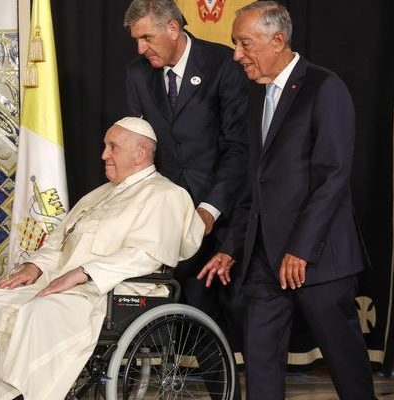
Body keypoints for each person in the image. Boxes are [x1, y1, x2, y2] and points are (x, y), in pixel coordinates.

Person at [198, 2, 376, 399]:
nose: (237, 55)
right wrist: (231, 248)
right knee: (260, 364)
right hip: (264, 259)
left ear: (277, 40)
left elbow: (333, 177)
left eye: (245, 44)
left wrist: (300, 247)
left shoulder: (324, 87)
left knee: (347, 368)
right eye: (235, 44)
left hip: (320, 258)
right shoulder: (257, 95)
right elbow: (255, 185)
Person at [0, 117, 204, 400]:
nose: (104, 154)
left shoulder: (167, 194)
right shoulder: (99, 194)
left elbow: (144, 255)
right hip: (64, 284)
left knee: (37, 312)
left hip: (113, 292)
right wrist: (35, 266)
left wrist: (84, 272)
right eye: (105, 146)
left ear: (141, 153)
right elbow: (59, 242)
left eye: (113, 147)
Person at [123, 0, 250, 369]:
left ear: (173, 29)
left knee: (220, 312)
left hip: (221, 213)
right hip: (166, 216)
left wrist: (209, 209)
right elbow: (138, 144)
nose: (140, 49)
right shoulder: (137, 73)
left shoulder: (223, 65)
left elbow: (237, 148)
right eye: (136, 40)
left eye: (147, 38)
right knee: (177, 308)